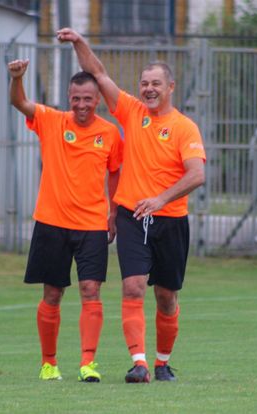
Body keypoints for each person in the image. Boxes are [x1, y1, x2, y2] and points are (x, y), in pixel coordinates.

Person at [57, 28, 206, 383]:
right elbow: (99, 74)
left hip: (170, 220)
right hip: (132, 216)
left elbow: (197, 174)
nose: (149, 89)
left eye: (156, 83)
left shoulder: (184, 128)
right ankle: (139, 363)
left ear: (170, 87)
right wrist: (79, 42)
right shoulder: (131, 111)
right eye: (144, 83)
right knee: (133, 286)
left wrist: (161, 199)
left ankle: (162, 362)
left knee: (166, 296)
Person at [7, 59, 122, 383]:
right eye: (76, 98)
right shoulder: (51, 120)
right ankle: (49, 363)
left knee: (91, 290)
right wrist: (17, 78)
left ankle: (88, 363)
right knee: (53, 293)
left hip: (92, 225)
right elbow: (19, 102)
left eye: (87, 99)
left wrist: (114, 213)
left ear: (98, 100)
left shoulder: (109, 133)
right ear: (69, 98)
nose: (82, 105)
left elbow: (115, 172)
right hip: (52, 222)